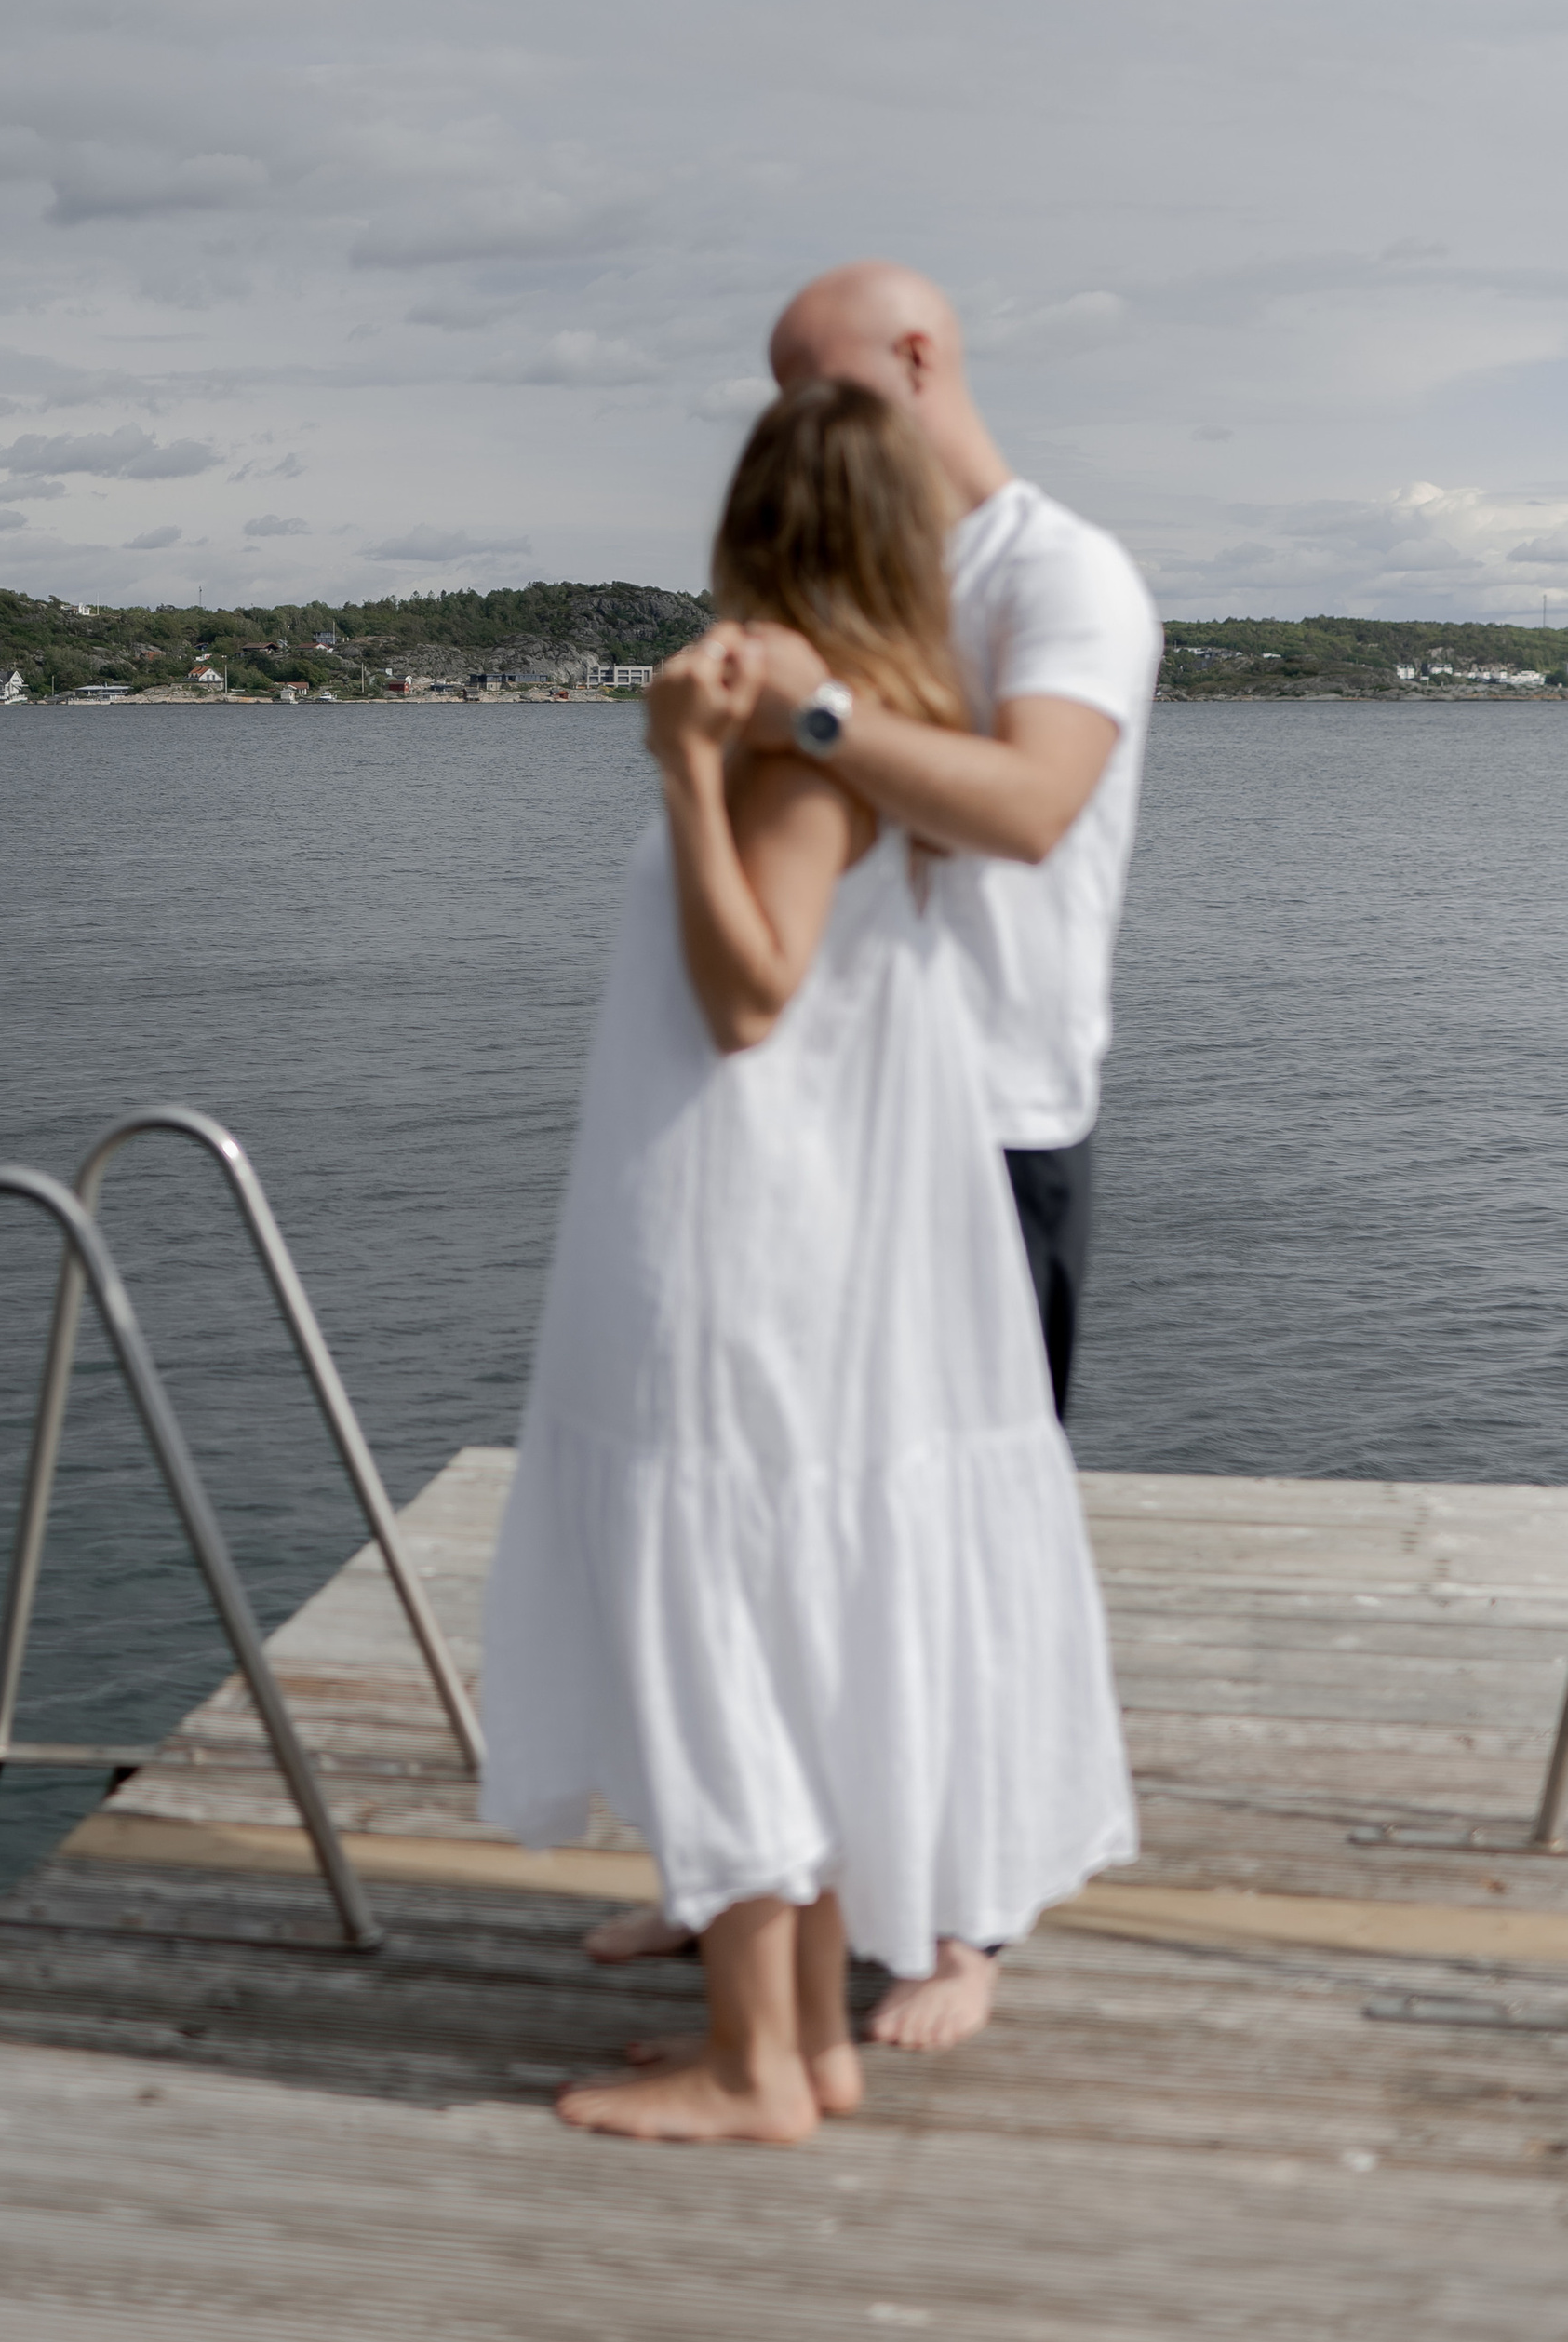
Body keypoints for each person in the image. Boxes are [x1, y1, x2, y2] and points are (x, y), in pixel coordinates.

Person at [478, 381, 1136, 2144]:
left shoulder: (782, 743)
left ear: (760, 526)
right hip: (809, 1225)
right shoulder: (890, 721)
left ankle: (755, 2063)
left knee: (730, 1610)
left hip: (729, 1220)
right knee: (794, 1606)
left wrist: (683, 770)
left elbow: (748, 995)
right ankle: (808, 2046)